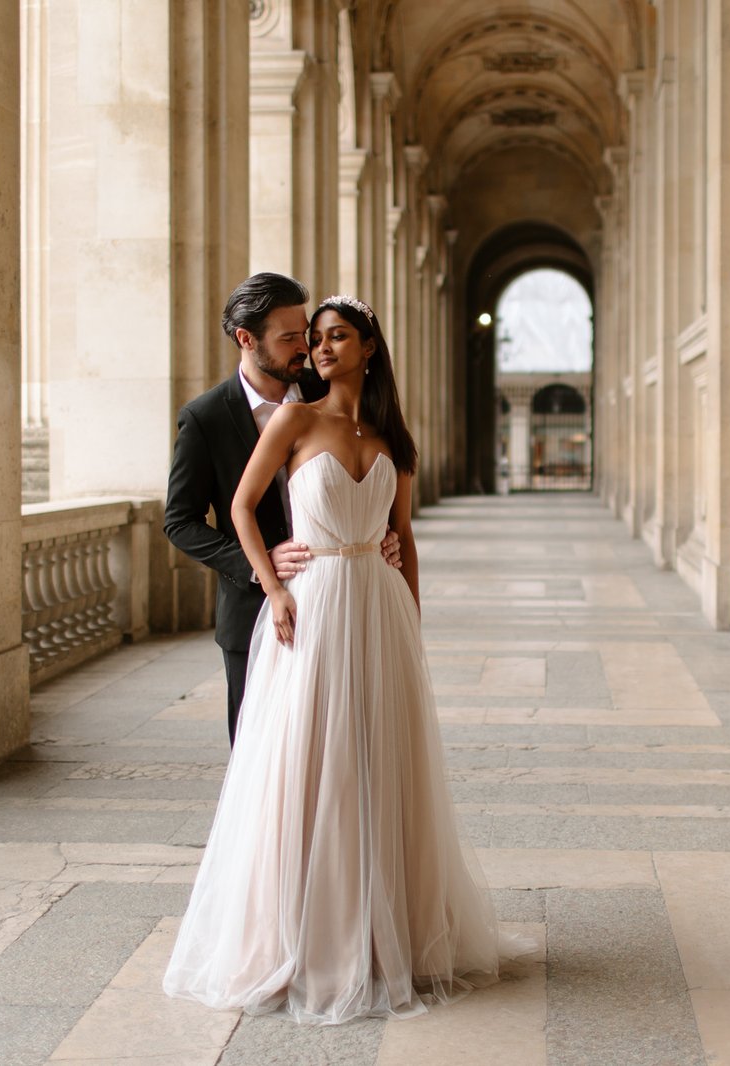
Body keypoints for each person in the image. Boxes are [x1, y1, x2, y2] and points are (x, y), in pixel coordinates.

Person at [163, 295, 515, 1024]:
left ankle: (389, 935)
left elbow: (404, 535)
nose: (320, 349)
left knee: (380, 762)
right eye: (314, 339)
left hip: (379, 608)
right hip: (314, 603)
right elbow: (238, 508)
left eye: (336, 337)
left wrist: (411, 617)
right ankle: (310, 936)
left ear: (368, 349)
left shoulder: (391, 438)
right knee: (310, 760)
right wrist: (273, 586)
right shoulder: (294, 418)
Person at [163, 273, 397, 745]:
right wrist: (258, 564)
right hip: (253, 612)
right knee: (260, 758)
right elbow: (180, 521)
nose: (306, 348)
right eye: (290, 338)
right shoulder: (205, 418)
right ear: (247, 339)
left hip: (342, 604)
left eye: (305, 334)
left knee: (342, 748)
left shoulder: (326, 389)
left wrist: (382, 531)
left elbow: (373, 461)